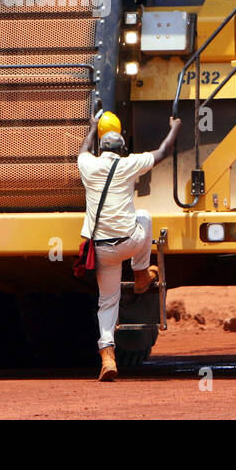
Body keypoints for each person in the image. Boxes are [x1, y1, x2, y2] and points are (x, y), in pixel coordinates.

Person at [77, 110, 182, 381]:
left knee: (107, 303)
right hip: (129, 242)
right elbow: (163, 152)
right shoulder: (128, 164)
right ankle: (140, 274)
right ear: (122, 149)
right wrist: (174, 127)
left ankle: (107, 355)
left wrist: (91, 127)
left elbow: (83, 149)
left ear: (101, 148)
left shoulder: (87, 165)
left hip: (101, 250)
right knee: (144, 217)